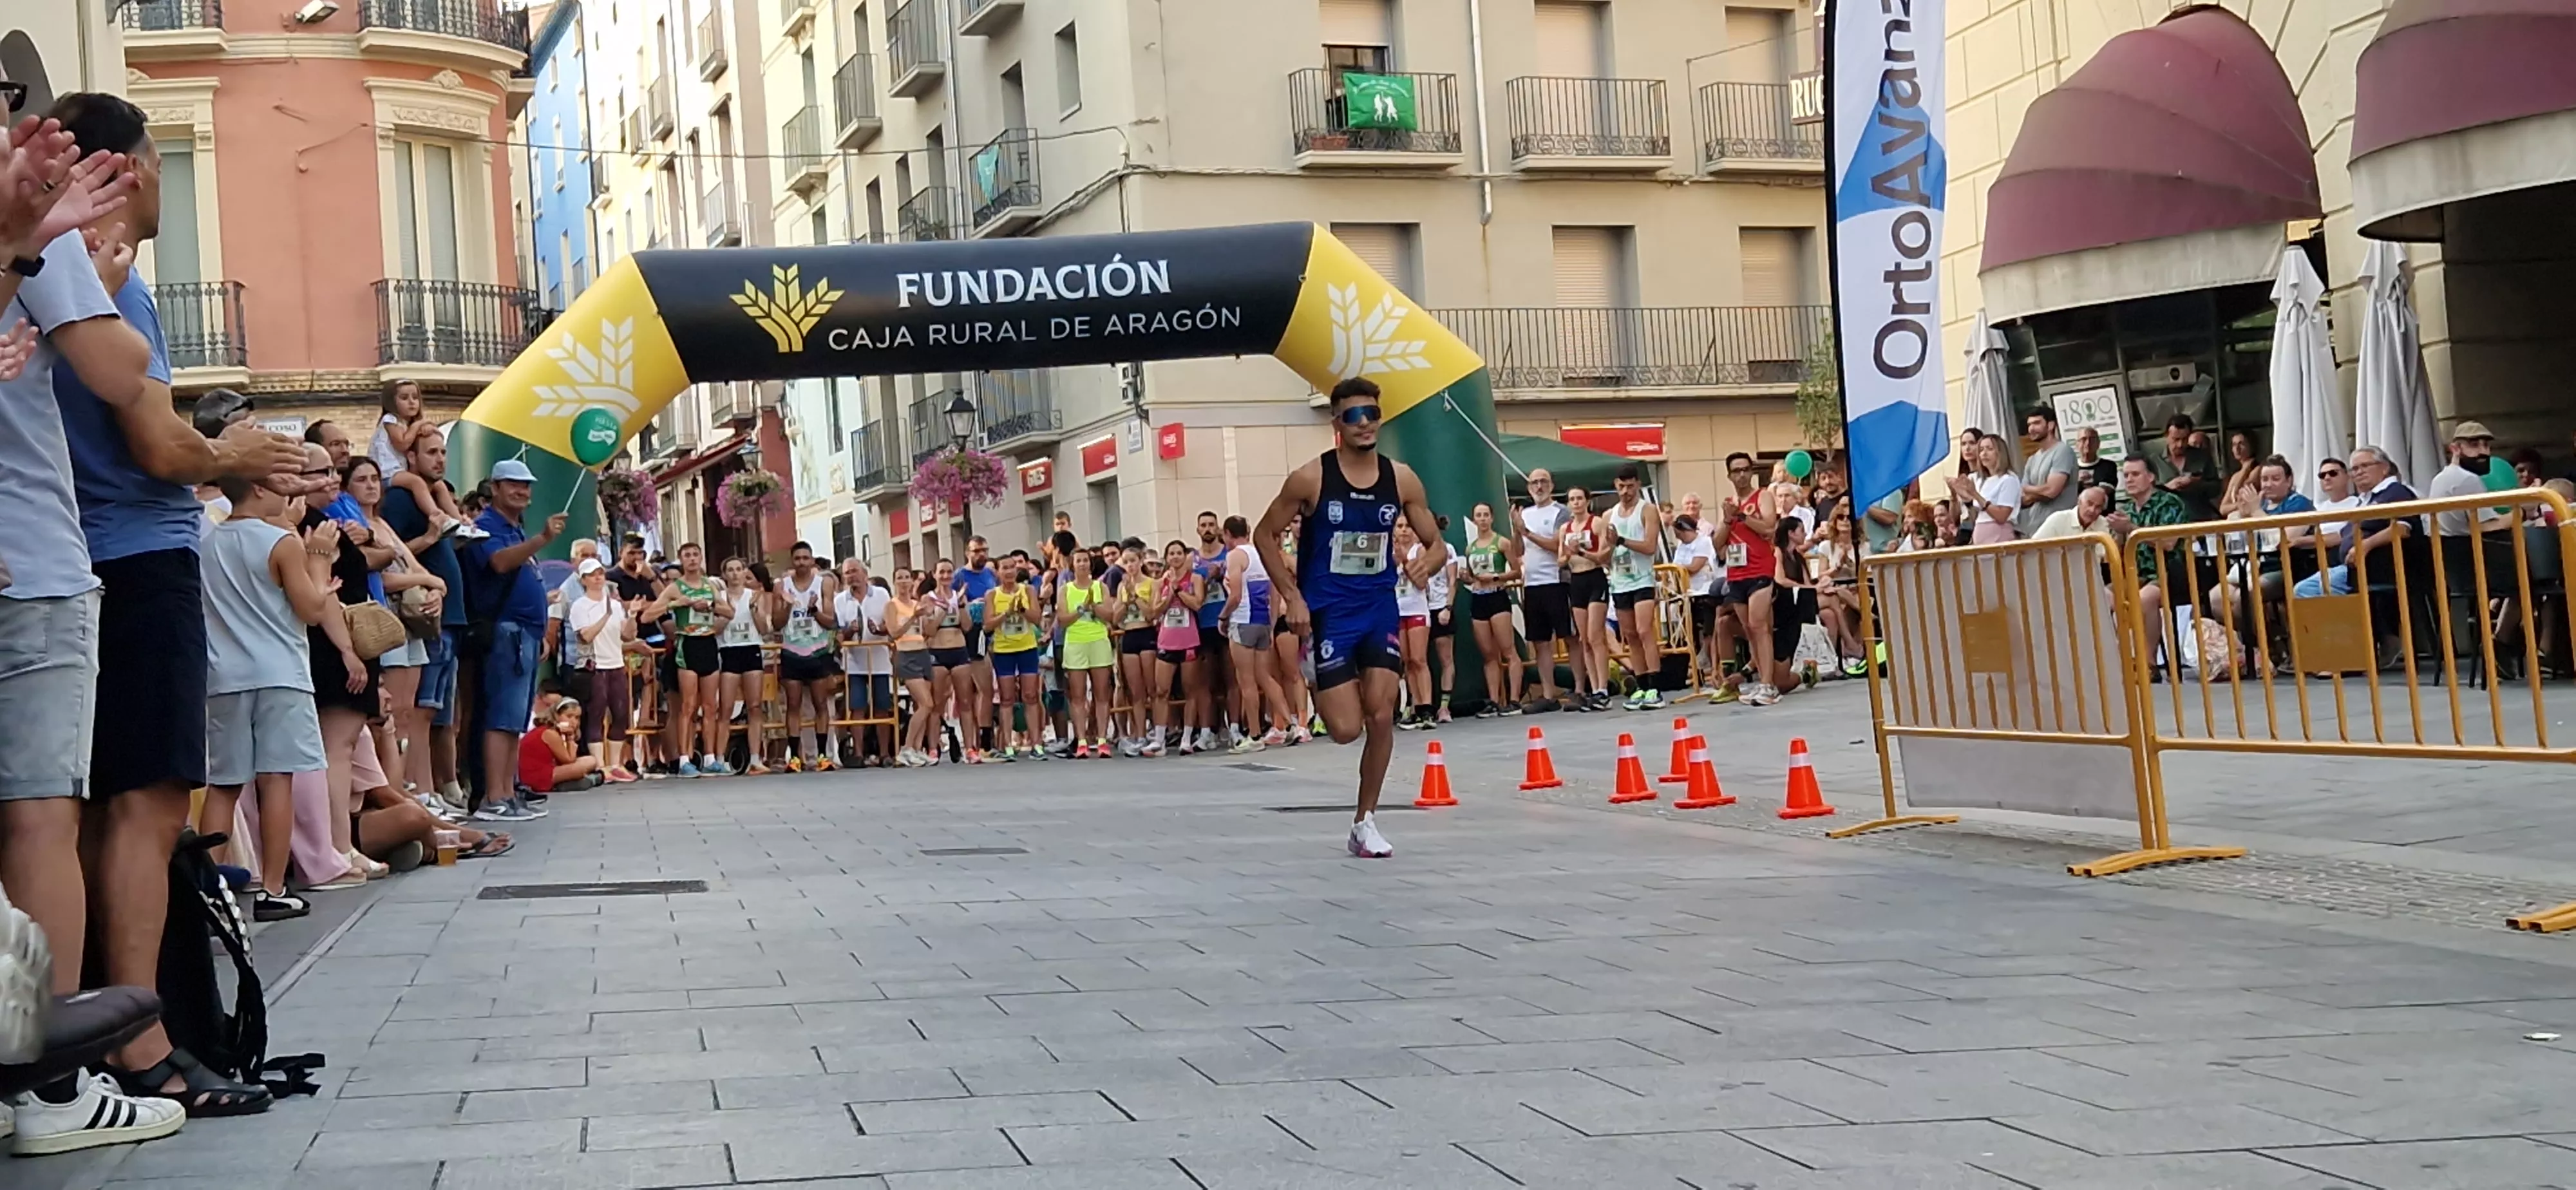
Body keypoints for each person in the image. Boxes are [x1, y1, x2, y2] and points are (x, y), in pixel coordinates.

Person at [44, 90, 306, 1120]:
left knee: (90, 814)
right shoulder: (102, 288)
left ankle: (120, 1036)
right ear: (130, 167)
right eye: (155, 158)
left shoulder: (63, 276)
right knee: (148, 812)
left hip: (82, 560)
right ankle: (144, 1042)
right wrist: (231, 455)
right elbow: (157, 447)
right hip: (138, 562)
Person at [1253, 377, 1445, 859]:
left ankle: (1366, 821)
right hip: (1330, 612)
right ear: (1337, 423)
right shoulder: (1311, 478)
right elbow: (1263, 535)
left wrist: (1432, 559)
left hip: (1379, 605)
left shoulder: (1400, 478)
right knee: (1344, 729)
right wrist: (1292, 596)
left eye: (1372, 415)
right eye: (1355, 416)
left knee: (1383, 714)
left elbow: (1434, 538)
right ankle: (1321, 673)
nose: (1365, 424)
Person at [200, 473, 341, 930]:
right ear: (257, 488)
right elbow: (311, 609)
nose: (288, 492)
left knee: (224, 783)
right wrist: (320, 561)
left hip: (225, 674)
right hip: (279, 671)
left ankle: (203, 893)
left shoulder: (209, 541)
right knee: (274, 780)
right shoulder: (281, 543)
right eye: (278, 484)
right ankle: (274, 890)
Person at [459, 458, 565, 817]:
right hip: (508, 632)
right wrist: (543, 539)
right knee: (501, 716)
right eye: (513, 484)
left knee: (514, 719)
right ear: (496, 488)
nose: (522, 491)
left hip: (524, 633)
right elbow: (500, 563)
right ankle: (495, 796)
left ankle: (506, 792)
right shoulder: (487, 526)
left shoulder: (512, 528)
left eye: (526, 485)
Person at [379, 426, 470, 806]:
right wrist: (432, 539)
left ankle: (441, 786)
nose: (440, 459)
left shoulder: (437, 494)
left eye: (443, 452)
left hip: (447, 618)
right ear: (410, 458)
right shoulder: (400, 500)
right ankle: (423, 790)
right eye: (431, 452)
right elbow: (395, 556)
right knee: (419, 711)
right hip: (425, 620)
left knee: (440, 712)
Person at [564, 557, 645, 781]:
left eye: (601, 573)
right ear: (584, 580)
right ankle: (600, 766)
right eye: (593, 574)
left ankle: (615, 763)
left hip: (616, 663)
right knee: (596, 714)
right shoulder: (580, 606)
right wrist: (605, 616)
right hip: (594, 666)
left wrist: (632, 615)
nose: (598, 577)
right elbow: (585, 636)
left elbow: (627, 635)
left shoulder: (616, 604)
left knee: (621, 714)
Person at [2116, 455, 2194, 674]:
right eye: (2126, 475)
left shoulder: (2169, 503)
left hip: (2169, 572)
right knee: (2102, 596)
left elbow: (2169, 543)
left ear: (2150, 477)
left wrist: (2131, 528)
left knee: (2144, 598)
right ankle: (2116, 660)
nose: (2129, 480)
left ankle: (2148, 663)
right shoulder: (2126, 509)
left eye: (2135, 474)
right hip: (2136, 573)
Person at [1718, 454, 1783, 705]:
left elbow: (1769, 528)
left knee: (1759, 625)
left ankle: (1768, 684)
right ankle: (1762, 681)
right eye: (1736, 471)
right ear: (1730, 475)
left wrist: (1743, 517)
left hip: (1760, 569)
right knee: (1748, 629)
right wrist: (1727, 519)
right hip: (1737, 572)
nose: (1742, 475)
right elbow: (1717, 543)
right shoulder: (1729, 504)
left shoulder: (1762, 496)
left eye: (1746, 470)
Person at [1217, 516, 1285, 751]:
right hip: (1263, 619)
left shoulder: (1235, 556)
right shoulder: (1261, 554)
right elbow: (1275, 591)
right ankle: (1291, 724)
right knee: (1265, 676)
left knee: (1246, 681)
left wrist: (1223, 616)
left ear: (1227, 534)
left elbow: (1235, 595)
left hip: (1243, 619)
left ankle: (1255, 735)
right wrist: (1272, 620)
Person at [1602, 463, 1667, 710]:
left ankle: (1655, 686)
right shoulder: (1609, 515)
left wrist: (1621, 540)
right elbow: (1606, 553)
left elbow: (1650, 546)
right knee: (1629, 634)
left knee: (1644, 630)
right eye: (1621, 486)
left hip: (1642, 579)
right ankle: (1641, 686)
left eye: (1630, 486)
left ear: (1638, 485)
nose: (1626, 491)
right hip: (1619, 581)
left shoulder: (1647, 510)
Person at [772, 542, 840, 772]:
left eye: (806, 558)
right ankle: (795, 757)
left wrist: (814, 611)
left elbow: (831, 621)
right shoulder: (782, 586)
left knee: (821, 703)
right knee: (794, 704)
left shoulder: (825, 583)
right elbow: (777, 623)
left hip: (818, 651)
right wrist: (788, 607)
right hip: (792, 651)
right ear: (792, 560)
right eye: (798, 558)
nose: (802, 562)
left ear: (812, 560)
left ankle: (822, 756)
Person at [1513, 468, 1571, 710]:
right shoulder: (1525, 513)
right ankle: (1548, 694)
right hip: (1533, 583)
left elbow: (1556, 544)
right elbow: (1518, 550)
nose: (1539, 487)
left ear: (1551, 485)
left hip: (1556, 581)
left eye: (1543, 482)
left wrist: (1526, 532)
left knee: (1569, 637)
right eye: (1534, 483)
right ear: (1529, 488)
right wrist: (1517, 530)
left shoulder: (1561, 512)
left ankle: (1578, 688)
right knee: (1540, 641)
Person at [1461, 502, 1524, 715]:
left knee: (1508, 650)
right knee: (1488, 654)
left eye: (1486, 515)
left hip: (1497, 596)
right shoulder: (1471, 548)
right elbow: (1472, 577)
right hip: (1479, 598)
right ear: (1474, 519)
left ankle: (1514, 699)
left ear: (1492, 518)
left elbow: (1517, 571)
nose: (1483, 519)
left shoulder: (1502, 543)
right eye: (1479, 515)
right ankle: (1494, 700)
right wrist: (1466, 578)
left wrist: (1496, 577)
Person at [831, 557, 895, 768]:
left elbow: (890, 623)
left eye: (854, 571)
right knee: (856, 707)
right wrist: (849, 631)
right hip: (854, 662)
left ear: (864, 573)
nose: (851, 576)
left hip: (879, 658)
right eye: (847, 573)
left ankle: (884, 752)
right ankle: (858, 753)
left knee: (882, 707)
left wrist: (879, 629)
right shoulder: (840, 600)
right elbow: (839, 633)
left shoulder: (881, 594)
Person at [1056, 545, 1117, 759]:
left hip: (1098, 640)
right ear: (1072, 565)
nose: (1082, 564)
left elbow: (1110, 615)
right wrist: (1082, 608)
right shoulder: (1066, 590)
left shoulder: (1101, 587)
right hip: (1076, 642)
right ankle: (1081, 740)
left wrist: (1094, 607)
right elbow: (1063, 620)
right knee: (1078, 695)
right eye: (1078, 560)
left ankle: (1101, 739)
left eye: (1085, 560)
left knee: (1102, 693)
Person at [984, 556, 1046, 760]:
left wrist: (1021, 610)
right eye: (1005, 568)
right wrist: (1006, 614)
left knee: (1031, 696)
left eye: (1012, 567)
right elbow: (987, 625)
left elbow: (1037, 619)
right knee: (1007, 698)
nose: (1009, 572)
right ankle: (1008, 745)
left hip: (1027, 647)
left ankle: (1036, 743)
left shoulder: (1027, 591)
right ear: (998, 572)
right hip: (1004, 650)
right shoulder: (992, 595)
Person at [715, 556, 772, 775]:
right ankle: (720, 758)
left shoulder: (756, 596)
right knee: (726, 708)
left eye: (739, 569)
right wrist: (727, 614)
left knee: (755, 706)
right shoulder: (719, 597)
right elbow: (716, 629)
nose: (735, 574)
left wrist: (755, 610)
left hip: (751, 648)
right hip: (729, 650)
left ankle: (755, 758)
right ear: (725, 574)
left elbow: (764, 629)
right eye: (730, 570)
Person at [1559, 484, 1613, 710]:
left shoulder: (1597, 523)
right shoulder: (1565, 528)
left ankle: (1603, 688)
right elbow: (1561, 560)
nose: (1576, 503)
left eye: (1580, 498)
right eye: (1572, 499)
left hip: (1595, 578)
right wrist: (1569, 554)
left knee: (1595, 635)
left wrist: (1581, 552)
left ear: (1587, 501)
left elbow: (1603, 556)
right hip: (1577, 580)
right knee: (1584, 639)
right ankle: (1593, 687)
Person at [1152, 540, 1206, 753]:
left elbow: (1197, 604)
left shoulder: (1195, 578)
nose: (1175, 557)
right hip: (1167, 639)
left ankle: (1186, 737)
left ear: (1185, 556)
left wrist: (1179, 591)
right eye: (1171, 553)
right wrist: (1168, 595)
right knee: (1161, 690)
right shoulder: (1160, 582)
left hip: (1189, 640)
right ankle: (1159, 739)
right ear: (1166, 558)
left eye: (1179, 553)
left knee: (1190, 690)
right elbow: (1155, 611)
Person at [951, 537, 999, 761]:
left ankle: (984, 739)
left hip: (989, 633)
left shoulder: (991, 575)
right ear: (967, 553)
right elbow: (951, 602)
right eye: (977, 550)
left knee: (986, 690)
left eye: (984, 550)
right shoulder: (960, 576)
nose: (981, 554)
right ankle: (979, 742)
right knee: (979, 689)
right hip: (970, 634)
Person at [885, 571, 940, 767]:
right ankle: (906, 748)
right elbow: (894, 633)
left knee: (922, 706)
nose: (904, 582)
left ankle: (917, 749)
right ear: (894, 582)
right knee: (927, 703)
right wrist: (912, 618)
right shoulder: (892, 606)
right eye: (899, 578)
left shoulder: (917, 603)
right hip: (906, 654)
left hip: (922, 652)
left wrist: (935, 613)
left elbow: (929, 631)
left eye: (907, 577)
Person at [1187, 512, 1231, 751]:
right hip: (1202, 624)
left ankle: (1234, 727)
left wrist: (1221, 574)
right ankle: (1208, 731)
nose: (1207, 529)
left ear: (1218, 528)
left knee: (1230, 678)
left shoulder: (1229, 555)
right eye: (1203, 525)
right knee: (1206, 681)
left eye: (1211, 525)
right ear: (1197, 530)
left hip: (1226, 622)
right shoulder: (1192, 560)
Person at [926, 560, 975, 762]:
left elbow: (967, 626)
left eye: (949, 572)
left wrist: (961, 605)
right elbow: (928, 631)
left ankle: (970, 748)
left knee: (965, 702)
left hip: (959, 650)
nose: (946, 576)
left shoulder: (959, 596)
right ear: (935, 574)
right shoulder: (927, 598)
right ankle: (933, 748)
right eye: (942, 572)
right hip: (937, 652)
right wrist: (943, 610)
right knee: (938, 704)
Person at [1670, 513, 1723, 697]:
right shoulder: (1681, 547)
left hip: (1705, 591)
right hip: (1687, 594)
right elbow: (1677, 568)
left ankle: (1712, 663)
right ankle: (1695, 670)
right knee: (1688, 633)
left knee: (1709, 631)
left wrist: (1679, 570)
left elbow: (1695, 567)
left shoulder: (1703, 543)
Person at [1392, 520, 1436, 730]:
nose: (1404, 531)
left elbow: (1420, 582)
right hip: (1398, 609)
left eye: (1408, 526)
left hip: (1417, 609)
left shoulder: (1419, 551)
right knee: (1407, 660)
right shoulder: (1389, 553)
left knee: (1419, 659)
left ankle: (1427, 706)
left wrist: (1405, 562)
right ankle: (1415, 704)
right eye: (1399, 527)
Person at [516, 697, 600, 795]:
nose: (574, 722)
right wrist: (570, 739)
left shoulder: (554, 732)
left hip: (549, 768)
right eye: (569, 716)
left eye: (577, 718)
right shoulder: (550, 733)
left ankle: (574, 781)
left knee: (591, 760)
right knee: (580, 769)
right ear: (556, 716)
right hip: (537, 776)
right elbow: (569, 761)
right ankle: (584, 781)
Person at [1949, 433, 2022, 543]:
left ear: (2000, 453)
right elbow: (1977, 517)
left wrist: (1976, 495)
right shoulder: (1984, 481)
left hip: (1999, 536)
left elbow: (2002, 516)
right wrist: (1966, 499)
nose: (1984, 454)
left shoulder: (2008, 479)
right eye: (1981, 450)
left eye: (1990, 449)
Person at [2017, 408, 2079, 535]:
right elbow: (2022, 498)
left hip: (2060, 529)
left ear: (2051, 425)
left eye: (2037, 423)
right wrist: (2040, 492)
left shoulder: (2063, 451)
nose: (2031, 429)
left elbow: (2051, 491)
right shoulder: (2032, 459)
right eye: (2029, 425)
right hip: (2034, 529)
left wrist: (2029, 490)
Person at [2155, 413, 2222, 522]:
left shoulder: (2202, 457)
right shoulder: (2153, 461)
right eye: (2176, 439)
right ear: (2166, 436)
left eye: (2185, 439)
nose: (2180, 445)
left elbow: (2216, 488)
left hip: (2198, 518)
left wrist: (2197, 484)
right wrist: (2168, 487)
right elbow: (2147, 495)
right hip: (2168, 521)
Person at [369, 377, 429, 477]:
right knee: (417, 483)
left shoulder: (409, 424)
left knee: (438, 484)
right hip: (386, 471)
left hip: (401, 470)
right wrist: (417, 426)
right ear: (392, 402)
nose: (411, 402)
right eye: (404, 398)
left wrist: (428, 428)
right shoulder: (390, 420)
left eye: (415, 397)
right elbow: (402, 444)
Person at [2032, 484, 2115, 541]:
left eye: (2098, 507)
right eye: (2089, 504)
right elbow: (2033, 546)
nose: (2092, 510)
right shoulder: (2058, 519)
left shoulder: (2103, 524)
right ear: (2079, 502)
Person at [2217, 430, 2264, 518]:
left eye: (2241, 444)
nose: (2237, 448)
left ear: (2251, 446)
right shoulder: (2235, 476)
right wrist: (2244, 470)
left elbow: (2238, 494)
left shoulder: (2259, 470)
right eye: (2234, 445)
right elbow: (2223, 509)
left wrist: (2246, 470)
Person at [2072, 426, 2119, 493]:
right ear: (2077, 444)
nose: (2088, 443)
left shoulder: (2109, 466)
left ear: (2098, 443)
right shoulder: (2070, 468)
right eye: (2084, 439)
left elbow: (2104, 491)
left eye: (2092, 439)